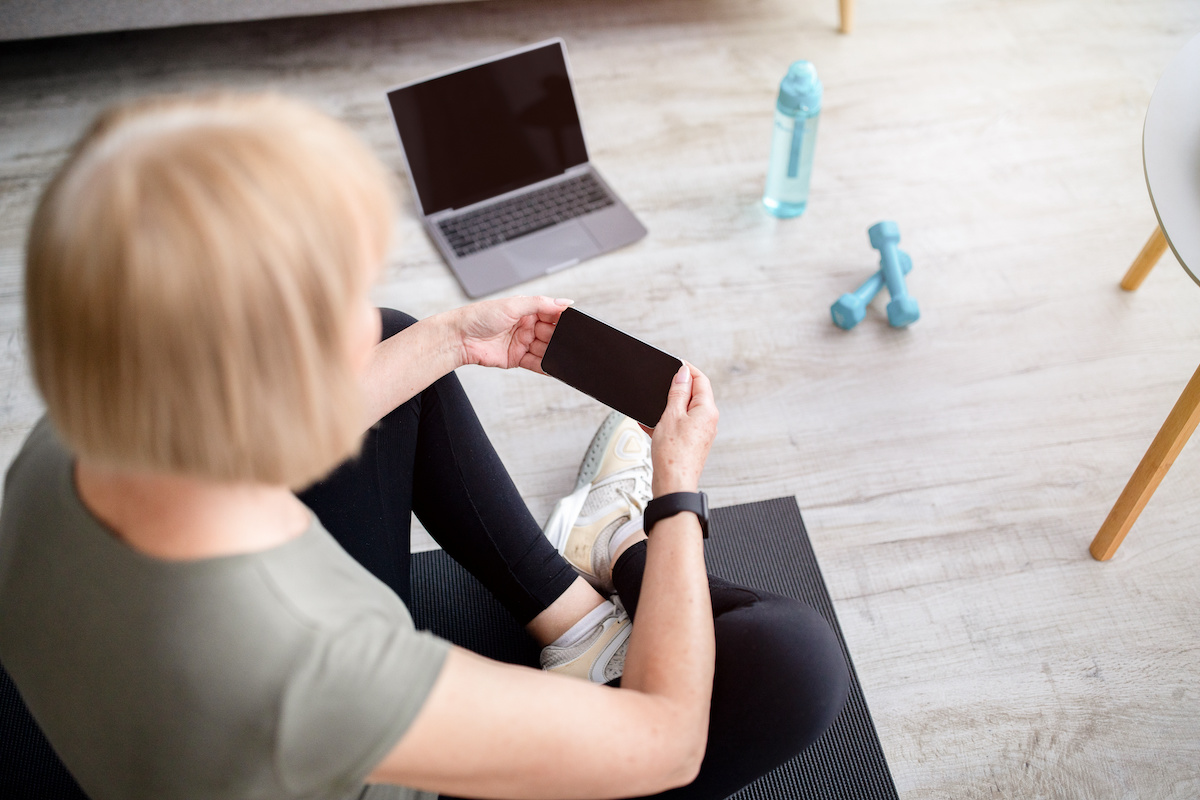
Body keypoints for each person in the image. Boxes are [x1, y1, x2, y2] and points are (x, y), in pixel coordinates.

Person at [0, 92, 849, 800]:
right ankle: (617, 547)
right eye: (346, 294)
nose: (361, 308)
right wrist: (675, 497)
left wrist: (450, 339)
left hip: (198, 725)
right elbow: (668, 743)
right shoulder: (312, 660)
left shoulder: (62, 445)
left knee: (401, 342)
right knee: (798, 667)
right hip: (341, 746)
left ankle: (578, 618)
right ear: (273, 380)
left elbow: (263, 425)